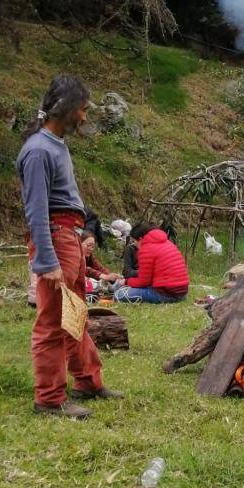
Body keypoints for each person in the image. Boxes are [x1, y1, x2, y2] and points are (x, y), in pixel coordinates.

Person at [16, 75, 123, 419]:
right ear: (64, 109)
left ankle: (88, 382)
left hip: (71, 238)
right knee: (51, 321)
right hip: (56, 239)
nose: (85, 117)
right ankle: (48, 399)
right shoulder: (37, 151)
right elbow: (37, 211)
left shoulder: (55, 146)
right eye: (82, 109)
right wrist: (46, 261)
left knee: (75, 314)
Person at [115, 223, 189, 304]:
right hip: (182, 293)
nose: (133, 244)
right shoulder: (168, 243)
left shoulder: (146, 249)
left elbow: (143, 282)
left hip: (166, 294)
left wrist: (126, 282)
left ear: (140, 239)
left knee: (119, 295)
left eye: (134, 241)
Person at [81, 231, 124, 297]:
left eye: (93, 246)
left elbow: (99, 268)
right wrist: (104, 276)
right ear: (79, 243)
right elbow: (85, 269)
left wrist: (111, 276)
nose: (91, 249)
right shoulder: (74, 256)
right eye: (88, 245)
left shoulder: (90, 257)